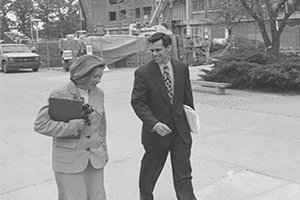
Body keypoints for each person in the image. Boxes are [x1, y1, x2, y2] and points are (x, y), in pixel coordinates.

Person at [131, 32, 197, 200]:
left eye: (158, 50)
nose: (154, 54)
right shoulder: (143, 73)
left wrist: (191, 124)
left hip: (180, 134)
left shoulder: (181, 69)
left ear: (169, 48)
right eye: (151, 50)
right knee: (149, 175)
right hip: (157, 134)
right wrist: (154, 124)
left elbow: (187, 100)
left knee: (184, 176)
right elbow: (138, 102)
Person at [34, 54, 109, 200]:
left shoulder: (99, 93)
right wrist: (70, 127)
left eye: (100, 76)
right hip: (69, 160)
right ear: (83, 74)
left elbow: (102, 125)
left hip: (95, 158)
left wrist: (104, 148)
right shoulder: (60, 93)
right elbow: (40, 124)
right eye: (95, 77)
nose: (99, 80)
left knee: (97, 196)